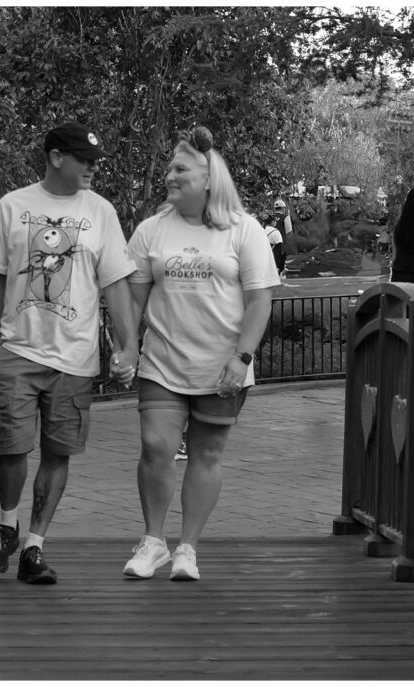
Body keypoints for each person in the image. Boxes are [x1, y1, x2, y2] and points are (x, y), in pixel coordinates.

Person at [0, 122, 138, 584]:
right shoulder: (13, 206)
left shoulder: (101, 212)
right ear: (55, 157)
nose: (92, 167)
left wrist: (130, 345)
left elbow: (115, 284)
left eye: (94, 161)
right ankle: (7, 525)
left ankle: (34, 548)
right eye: (83, 159)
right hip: (18, 350)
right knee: (11, 447)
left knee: (57, 452)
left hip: (74, 359)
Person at [122, 126, 279, 581]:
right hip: (163, 362)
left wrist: (242, 357)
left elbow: (259, 301)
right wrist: (128, 347)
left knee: (207, 454)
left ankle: (187, 548)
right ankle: (154, 542)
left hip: (223, 366)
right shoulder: (151, 230)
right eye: (170, 168)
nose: (170, 176)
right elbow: (133, 299)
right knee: (156, 447)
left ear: (209, 179)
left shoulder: (243, 230)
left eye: (180, 169)